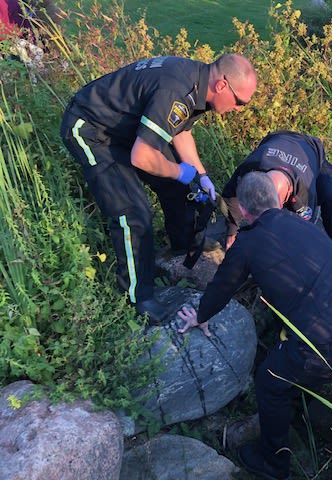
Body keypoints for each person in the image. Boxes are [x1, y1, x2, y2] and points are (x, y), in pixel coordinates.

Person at [177, 171, 332, 480]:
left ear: (242, 210)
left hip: (329, 350)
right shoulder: (304, 225)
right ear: (278, 200)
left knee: (270, 381)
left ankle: (273, 462)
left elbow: (222, 287)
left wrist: (200, 315)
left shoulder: (248, 243)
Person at [60, 54, 257, 323]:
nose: (239, 109)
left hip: (127, 131)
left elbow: (180, 132)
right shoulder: (176, 91)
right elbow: (141, 157)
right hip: (92, 129)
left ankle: (182, 245)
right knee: (133, 212)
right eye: (240, 102)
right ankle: (138, 296)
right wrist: (180, 171)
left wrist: (200, 175)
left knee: (182, 187)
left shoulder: (196, 83)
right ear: (222, 85)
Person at [221, 130, 332, 252]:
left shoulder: (305, 192)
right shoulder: (251, 167)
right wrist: (232, 230)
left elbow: (303, 231)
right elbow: (231, 193)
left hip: (311, 150)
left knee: (331, 197)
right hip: (278, 138)